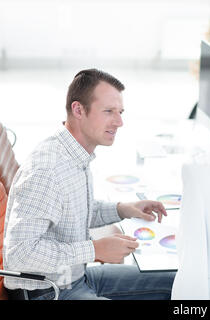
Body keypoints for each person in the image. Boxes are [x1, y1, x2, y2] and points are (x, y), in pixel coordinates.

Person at [3, 69, 175, 300]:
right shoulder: (46, 170)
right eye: (108, 112)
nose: (119, 121)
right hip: (47, 292)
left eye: (120, 112)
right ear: (78, 110)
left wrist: (122, 209)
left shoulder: (75, 156)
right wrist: (95, 249)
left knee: (176, 282)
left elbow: (70, 213)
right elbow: (19, 254)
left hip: (76, 278)